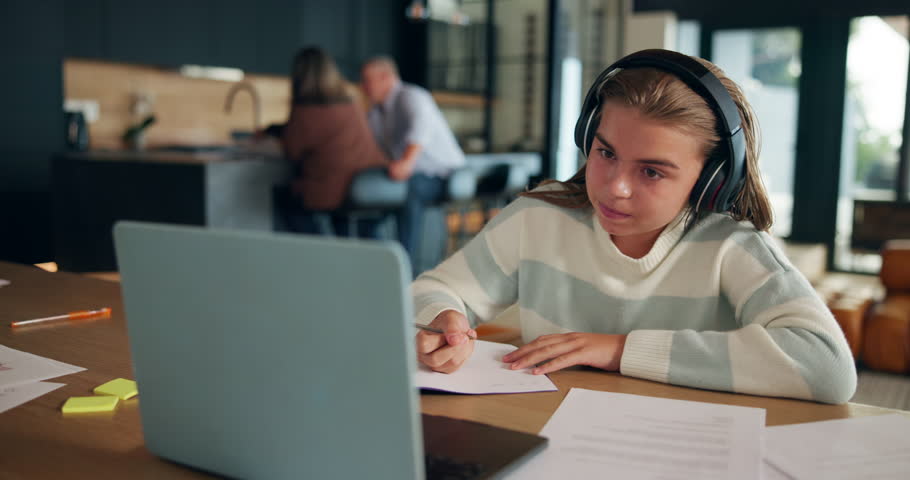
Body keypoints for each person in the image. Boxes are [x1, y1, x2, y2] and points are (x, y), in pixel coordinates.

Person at [411, 49, 857, 404]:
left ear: (709, 181)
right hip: (548, 431)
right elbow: (430, 291)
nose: (615, 188)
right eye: (605, 153)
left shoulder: (732, 246)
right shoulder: (537, 219)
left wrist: (619, 350)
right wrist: (443, 318)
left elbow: (827, 369)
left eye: (651, 171)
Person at [360, 56, 466, 270]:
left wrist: (407, 162)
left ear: (386, 77)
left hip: (443, 175)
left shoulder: (411, 95)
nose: (363, 87)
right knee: (374, 195)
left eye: (367, 80)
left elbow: (421, 129)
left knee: (412, 188)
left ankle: (405, 266)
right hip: (408, 177)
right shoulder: (375, 114)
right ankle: (378, 257)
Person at [280, 47, 388, 237]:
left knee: (287, 199)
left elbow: (292, 151)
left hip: (337, 192)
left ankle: (320, 253)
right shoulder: (351, 102)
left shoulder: (304, 111)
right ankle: (338, 252)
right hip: (374, 183)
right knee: (347, 221)